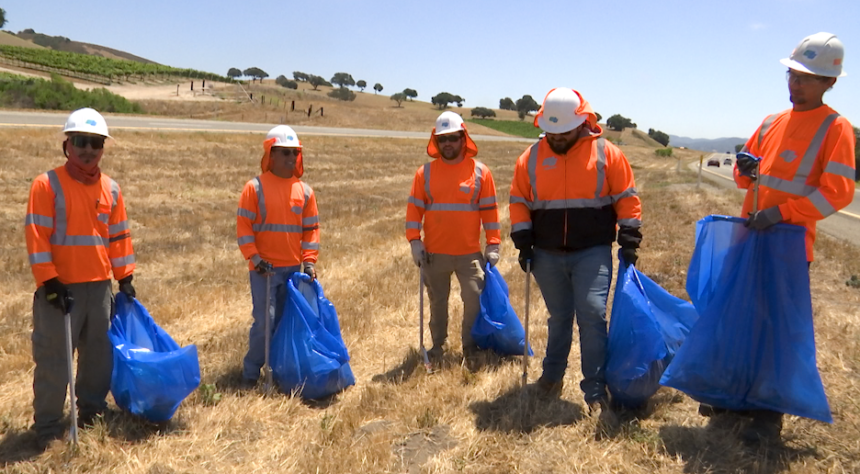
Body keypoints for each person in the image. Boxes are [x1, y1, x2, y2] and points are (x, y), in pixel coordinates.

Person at [719, 32, 855, 444]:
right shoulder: (770, 122)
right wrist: (744, 168)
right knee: (742, 320)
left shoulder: (837, 128)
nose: (796, 84)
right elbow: (746, 177)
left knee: (776, 329)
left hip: (788, 244)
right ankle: (737, 396)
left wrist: (782, 213)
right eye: (793, 75)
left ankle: (767, 414)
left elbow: (837, 191)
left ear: (830, 82)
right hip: (748, 236)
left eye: (807, 78)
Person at [509, 88, 641, 431]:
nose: (556, 139)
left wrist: (629, 237)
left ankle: (595, 392)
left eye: (563, 133)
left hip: (593, 252)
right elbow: (519, 199)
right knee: (559, 318)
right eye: (551, 133)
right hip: (547, 254)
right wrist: (522, 238)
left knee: (593, 316)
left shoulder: (607, 154)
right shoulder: (531, 157)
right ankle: (551, 379)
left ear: (582, 123)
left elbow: (627, 198)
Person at [25, 108, 137, 449]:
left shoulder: (112, 190)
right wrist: (49, 282)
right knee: (54, 360)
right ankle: (46, 427)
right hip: (59, 289)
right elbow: (37, 236)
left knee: (98, 357)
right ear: (67, 145)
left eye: (96, 143)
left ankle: (91, 411)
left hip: (100, 289)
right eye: (81, 142)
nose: (88, 149)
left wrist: (126, 277)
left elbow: (118, 237)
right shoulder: (47, 184)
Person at [405, 111, 501, 367]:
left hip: (469, 255)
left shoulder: (481, 173)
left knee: (473, 300)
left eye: (453, 138)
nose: (448, 143)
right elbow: (414, 210)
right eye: (442, 139)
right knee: (438, 303)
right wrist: (415, 241)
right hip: (434, 254)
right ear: (436, 141)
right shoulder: (424, 174)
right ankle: (438, 346)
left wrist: (493, 243)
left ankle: (470, 346)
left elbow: (490, 212)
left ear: (463, 138)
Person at [237, 125, 320, 388]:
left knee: (286, 323)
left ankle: (279, 371)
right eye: (284, 153)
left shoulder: (305, 192)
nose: (290, 158)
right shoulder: (255, 188)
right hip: (263, 270)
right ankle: (251, 373)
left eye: (294, 153)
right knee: (265, 322)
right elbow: (244, 228)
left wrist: (309, 261)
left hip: (292, 270)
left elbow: (311, 230)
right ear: (270, 155)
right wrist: (255, 258)